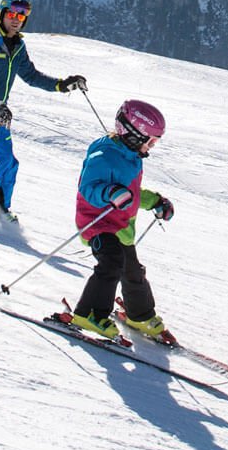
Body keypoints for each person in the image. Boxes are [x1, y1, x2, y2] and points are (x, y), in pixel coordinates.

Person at [0, 0, 86, 223]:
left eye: (22, 15)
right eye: (12, 13)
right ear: (1, 13)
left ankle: (0, 206)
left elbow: (31, 76)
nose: (16, 19)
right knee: (1, 159)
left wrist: (61, 85)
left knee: (10, 162)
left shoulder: (17, 46)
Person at [64, 99, 175, 342]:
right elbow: (88, 188)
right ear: (135, 135)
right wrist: (110, 193)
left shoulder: (131, 156)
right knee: (111, 263)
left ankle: (140, 315)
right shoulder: (104, 156)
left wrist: (155, 201)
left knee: (133, 272)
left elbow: (131, 192)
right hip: (97, 222)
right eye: (151, 141)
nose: (152, 147)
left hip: (121, 227)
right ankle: (88, 314)